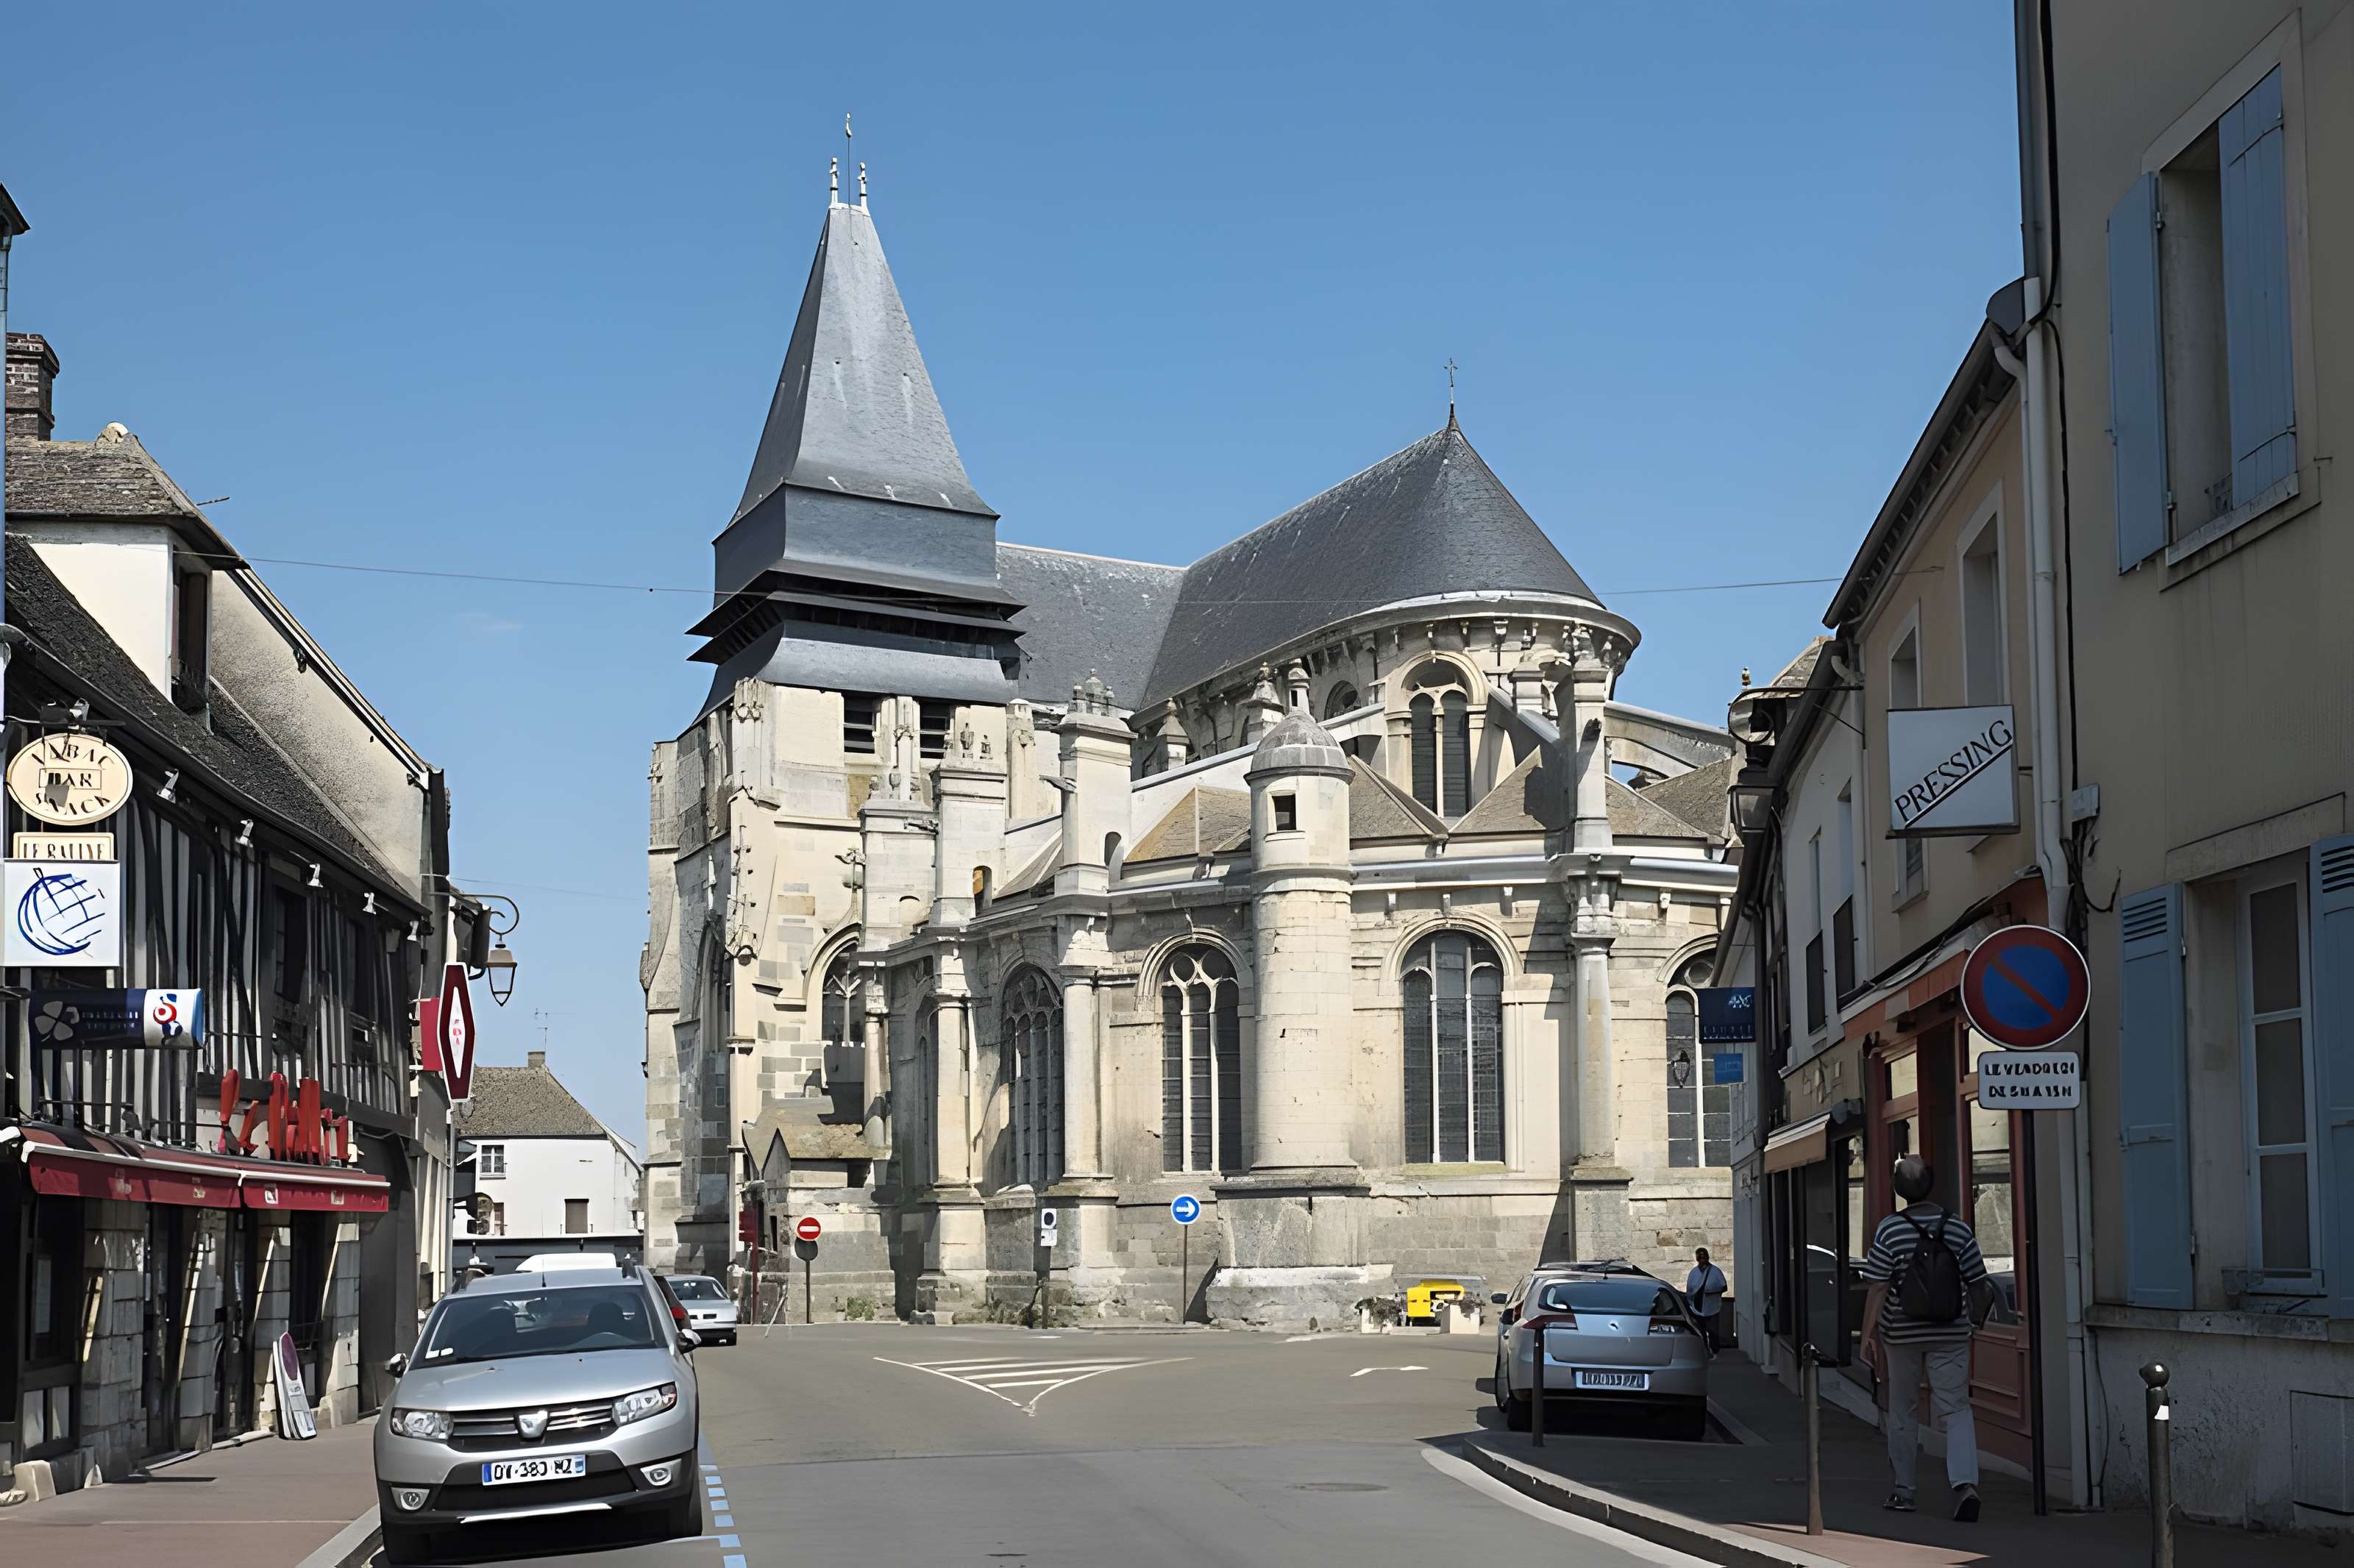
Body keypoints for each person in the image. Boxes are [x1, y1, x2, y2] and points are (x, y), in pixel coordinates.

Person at [1859, 1154, 1992, 1522]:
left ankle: (1904, 1491)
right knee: (1957, 1409)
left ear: (1899, 1191)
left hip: (1901, 1334)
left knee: (1903, 1409)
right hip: (1950, 1331)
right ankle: (1965, 1485)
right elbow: (1978, 1282)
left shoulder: (1890, 1229)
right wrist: (1974, 1325)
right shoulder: (1959, 1228)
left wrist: (1867, 1334)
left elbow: (1879, 1286)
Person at [1684, 1247, 1727, 1350]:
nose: (1702, 1259)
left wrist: (1712, 1291)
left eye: (1704, 1257)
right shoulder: (1694, 1272)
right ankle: (1704, 1351)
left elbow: (1724, 1287)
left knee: (1713, 1331)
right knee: (1700, 1331)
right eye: (1700, 1257)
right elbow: (1689, 1290)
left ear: (1707, 1257)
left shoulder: (1715, 1271)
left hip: (1711, 1307)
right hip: (1696, 1308)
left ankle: (1715, 1351)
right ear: (1697, 1259)